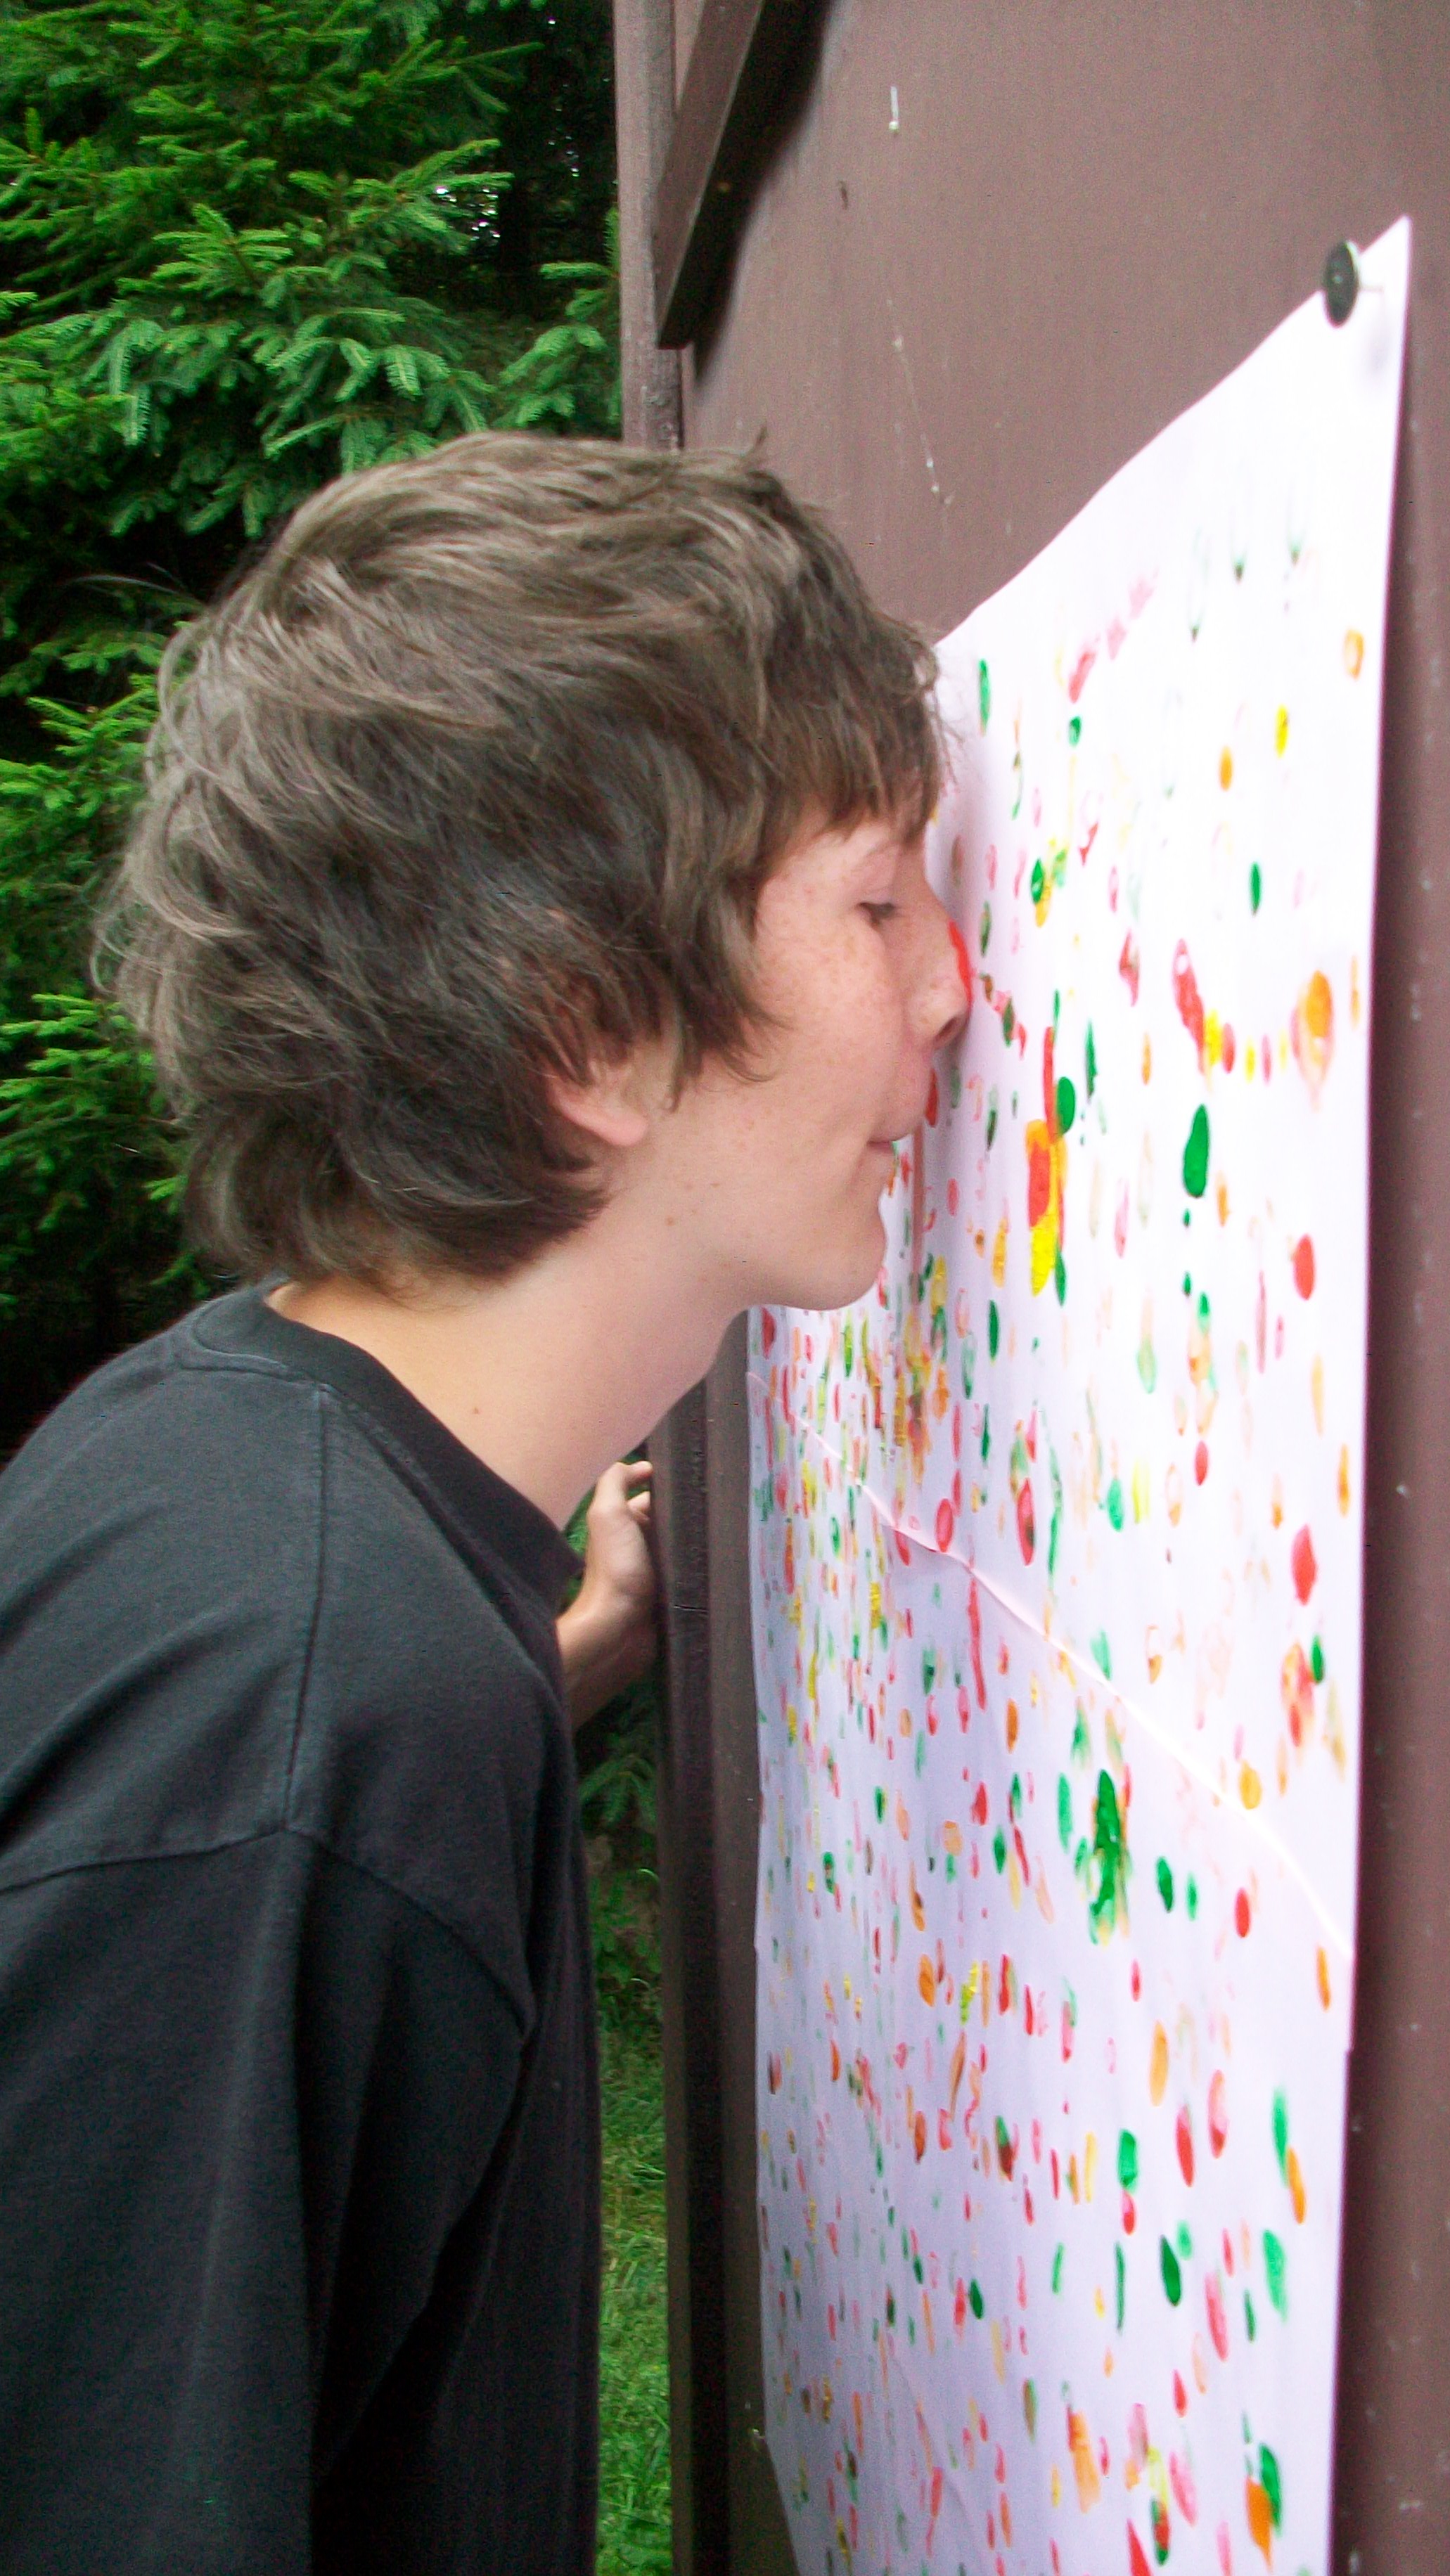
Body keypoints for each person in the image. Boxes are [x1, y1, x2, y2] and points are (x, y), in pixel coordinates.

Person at [0, 435, 968, 2573]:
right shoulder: (300, 1717)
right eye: (880, 900)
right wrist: (393, 1741)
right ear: (585, 1026)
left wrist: (543, 1670)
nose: (952, 985)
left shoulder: (242, 1485)